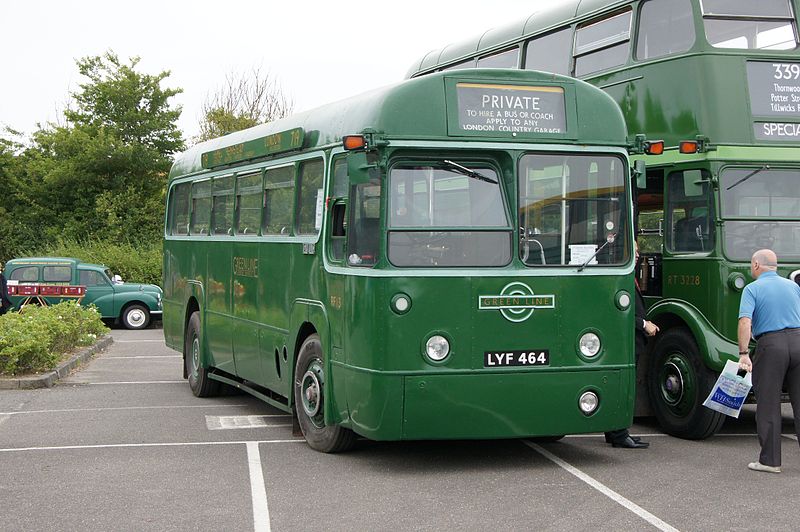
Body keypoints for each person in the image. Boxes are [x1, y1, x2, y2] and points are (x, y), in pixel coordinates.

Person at [737, 249, 800, 474]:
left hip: (771, 345)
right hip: (798, 341)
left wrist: (744, 353)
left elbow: (745, 322)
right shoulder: (793, 286)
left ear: (756, 265)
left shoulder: (752, 288)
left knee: (768, 402)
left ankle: (770, 461)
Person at [605, 241, 658, 448]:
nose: (637, 255)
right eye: (633, 251)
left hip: (630, 340)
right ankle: (619, 434)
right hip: (626, 340)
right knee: (624, 387)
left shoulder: (629, 276)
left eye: (637, 251)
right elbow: (620, 310)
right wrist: (645, 324)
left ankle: (615, 431)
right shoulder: (620, 278)